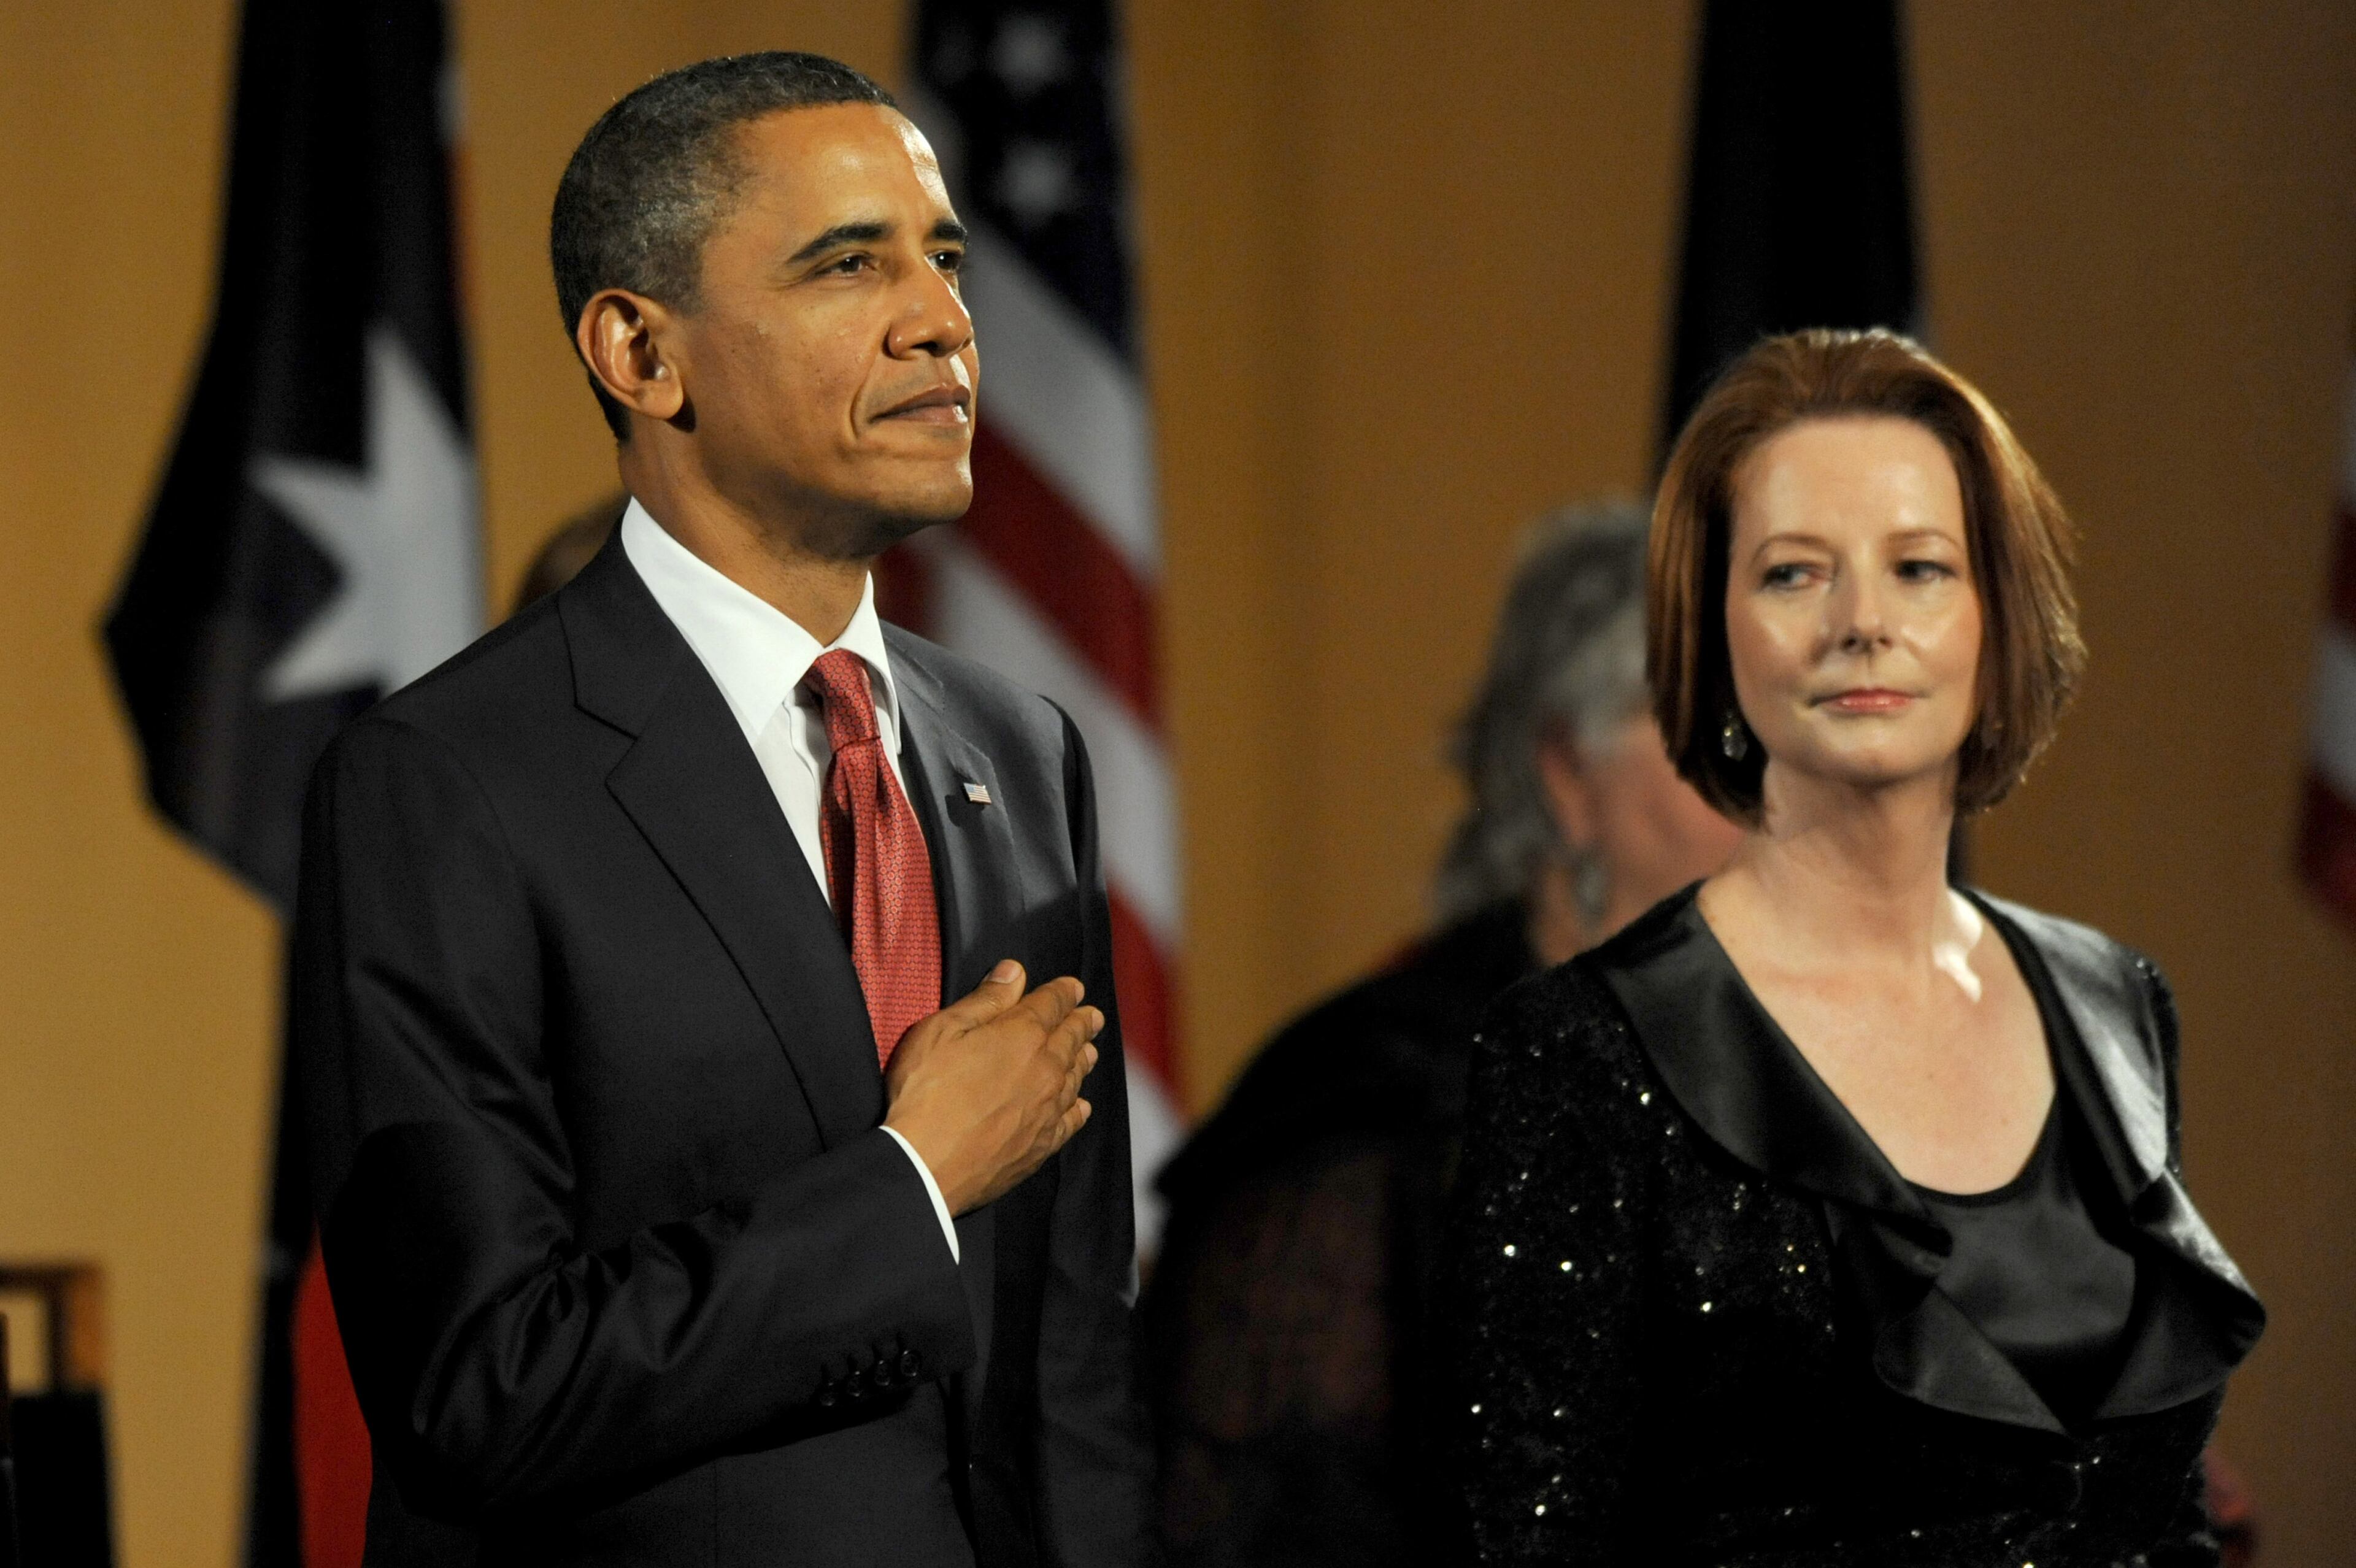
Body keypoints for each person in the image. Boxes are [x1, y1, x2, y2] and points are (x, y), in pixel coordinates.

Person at [292, 53, 1150, 1566]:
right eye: (848, 263)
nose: (943, 319)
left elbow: (1064, 1362)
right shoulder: (446, 783)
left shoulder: (1020, 754)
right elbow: (479, 1389)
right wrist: (908, 1185)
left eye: (943, 257)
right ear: (640, 350)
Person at [1447, 328, 2265, 1566]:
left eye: (1921, 568)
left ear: (2001, 623)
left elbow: (2167, 1519)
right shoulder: (1577, 1057)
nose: (1861, 622)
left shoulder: (2119, 1006)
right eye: (1792, 574)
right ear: (1713, 639)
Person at [1142, 501, 1742, 1566]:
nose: (1778, 790)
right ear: (1568, 773)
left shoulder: (1824, 1082)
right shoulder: (1373, 1116)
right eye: (1717, 733)